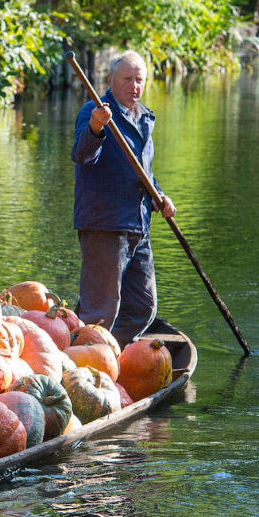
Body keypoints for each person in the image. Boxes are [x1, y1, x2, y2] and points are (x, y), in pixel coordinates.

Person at [70, 50, 176, 349]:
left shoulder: (143, 117)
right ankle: (84, 362)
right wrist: (95, 127)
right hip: (105, 223)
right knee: (100, 312)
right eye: (127, 79)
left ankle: (111, 357)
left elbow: (143, 171)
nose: (134, 86)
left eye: (139, 79)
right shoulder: (93, 111)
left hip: (138, 224)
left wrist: (159, 195)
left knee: (143, 307)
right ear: (110, 80)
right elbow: (81, 155)